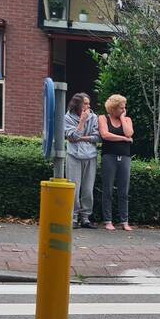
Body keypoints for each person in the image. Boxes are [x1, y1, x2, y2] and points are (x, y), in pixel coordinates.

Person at [98, 94, 134, 231]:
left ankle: (124, 221)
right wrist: (124, 139)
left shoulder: (127, 119)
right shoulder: (103, 118)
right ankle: (108, 220)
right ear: (113, 108)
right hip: (109, 156)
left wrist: (123, 118)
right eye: (121, 108)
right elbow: (105, 135)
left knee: (123, 191)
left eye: (124, 108)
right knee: (107, 189)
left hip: (124, 157)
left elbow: (129, 133)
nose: (123, 110)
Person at [64, 92, 100, 229]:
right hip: (74, 155)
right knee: (74, 187)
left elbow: (97, 137)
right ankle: (73, 218)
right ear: (77, 104)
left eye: (89, 103)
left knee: (88, 189)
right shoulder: (67, 118)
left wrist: (82, 138)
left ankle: (85, 218)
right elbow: (71, 136)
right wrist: (82, 122)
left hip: (90, 156)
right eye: (85, 103)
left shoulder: (94, 117)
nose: (88, 106)